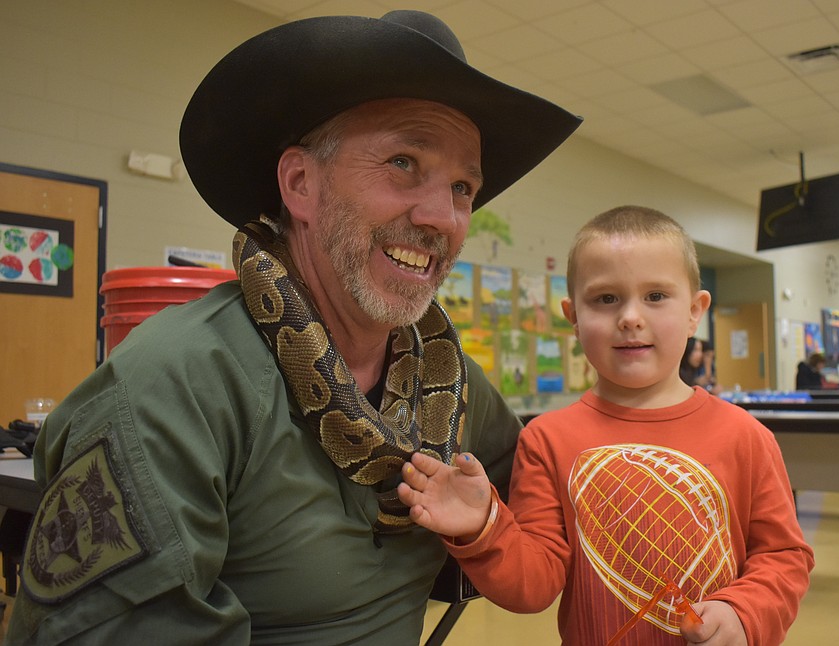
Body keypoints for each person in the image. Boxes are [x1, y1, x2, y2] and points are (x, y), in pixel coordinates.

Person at [7, 11, 582, 645]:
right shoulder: (174, 385)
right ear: (301, 185)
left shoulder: (454, 379)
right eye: (402, 162)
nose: (441, 217)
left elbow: (547, 513)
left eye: (463, 187)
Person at [399, 206, 814, 645]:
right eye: (606, 299)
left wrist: (744, 612)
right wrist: (482, 526)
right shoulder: (546, 440)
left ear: (696, 311)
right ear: (573, 316)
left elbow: (784, 557)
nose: (630, 317)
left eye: (656, 296)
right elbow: (534, 585)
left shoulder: (746, 436)